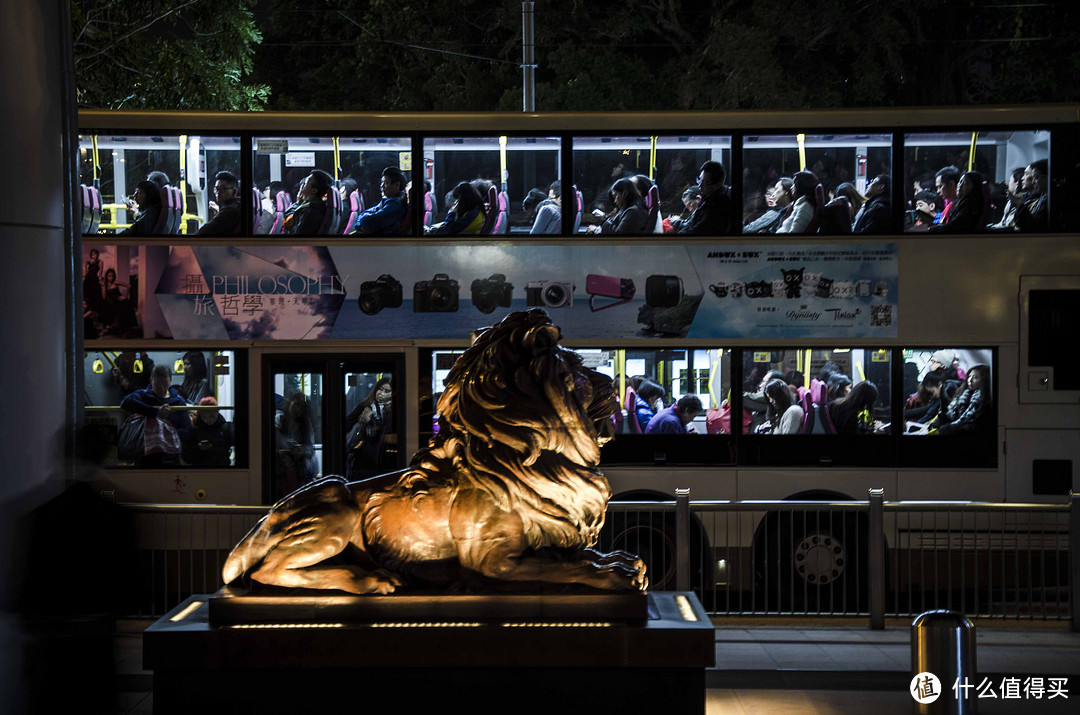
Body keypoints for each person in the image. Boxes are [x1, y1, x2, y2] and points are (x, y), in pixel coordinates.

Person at [120, 363, 192, 467]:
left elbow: (187, 430)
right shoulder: (143, 395)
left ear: (170, 381)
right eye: (157, 384)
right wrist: (155, 412)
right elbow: (126, 402)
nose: (161, 387)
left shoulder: (178, 402)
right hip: (145, 454)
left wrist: (163, 435)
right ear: (151, 381)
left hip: (170, 455)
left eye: (164, 383)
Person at [345, 377, 393, 479]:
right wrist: (362, 422)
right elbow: (345, 425)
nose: (381, 393)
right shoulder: (364, 407)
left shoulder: (394, 411)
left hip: (382, 462)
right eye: (380, 389)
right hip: (362, 461)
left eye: (387, 391)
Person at [275, 392, 319, 496]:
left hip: (300, 470)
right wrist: (281, 452)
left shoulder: (305, 426)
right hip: (281, 470)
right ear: (289, 403)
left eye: (301, 407)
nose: (297, 409)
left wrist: (301, 450)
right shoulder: (278, 420)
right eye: (296, 404)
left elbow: (310, 449)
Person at [670, 160, 730, 235]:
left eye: (705, 183)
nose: (700, 186)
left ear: (717, 185)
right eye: (700, 180)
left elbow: (692, 233)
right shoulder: (708, 198)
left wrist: (676, 222)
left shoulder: (717, 207)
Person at [933, 364, 991, 435]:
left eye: (975, 377)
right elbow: (951, 415)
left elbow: (970, 425)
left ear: (984, 380)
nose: (970, 380)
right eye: (969, 376)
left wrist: (946, 429)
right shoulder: (963, 393)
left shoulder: (983, 401)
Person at [353, 166, 408, 235]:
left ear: (397, 185)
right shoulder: (388, 201)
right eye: (382, 182)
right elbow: (363, 215)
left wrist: (361, 222)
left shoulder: (395, 205)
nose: (382, 186)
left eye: (385, 183)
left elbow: (366, 222)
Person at [182, 396, 234, 467]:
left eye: (212, 416)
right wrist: (198, 449)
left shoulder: (226, 428)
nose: (209, 420)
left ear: (217, 411)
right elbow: (186, 456)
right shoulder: (194, 430)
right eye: (205, 417)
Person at [283, 169, 333, 235]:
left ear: (314, 190)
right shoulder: (314, 205)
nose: (301, 185)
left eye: (305, 183)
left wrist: (297, 203)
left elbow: (295, 234)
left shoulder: (310, 211)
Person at [196, 171, 241, 236]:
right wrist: (217, 212)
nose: (218, 192)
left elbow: (204, 232)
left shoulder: (230, 210)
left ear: (234, 191)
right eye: (216, 189)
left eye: (223, 188)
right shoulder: (235, 205)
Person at [1013, 159, 1048, 231]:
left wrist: (1020, 204)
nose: (1033, 182)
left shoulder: (1047, 200)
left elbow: (1034, 226)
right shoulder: (1043, 197)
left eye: (1036, 178)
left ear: (1045, 178)